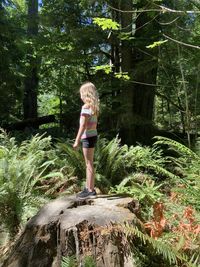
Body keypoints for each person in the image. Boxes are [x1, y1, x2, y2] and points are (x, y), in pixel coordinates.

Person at [73, 81, 99, 199]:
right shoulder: (94, 107)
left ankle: (90, 190)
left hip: (87, 137)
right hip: (93, 135)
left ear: (86, 94)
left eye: (81, 94)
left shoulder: (85, 107)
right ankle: (89, 188)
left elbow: (82, 126)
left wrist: (77, 140)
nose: (80, 96)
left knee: (88, 164)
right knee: (90, 163)